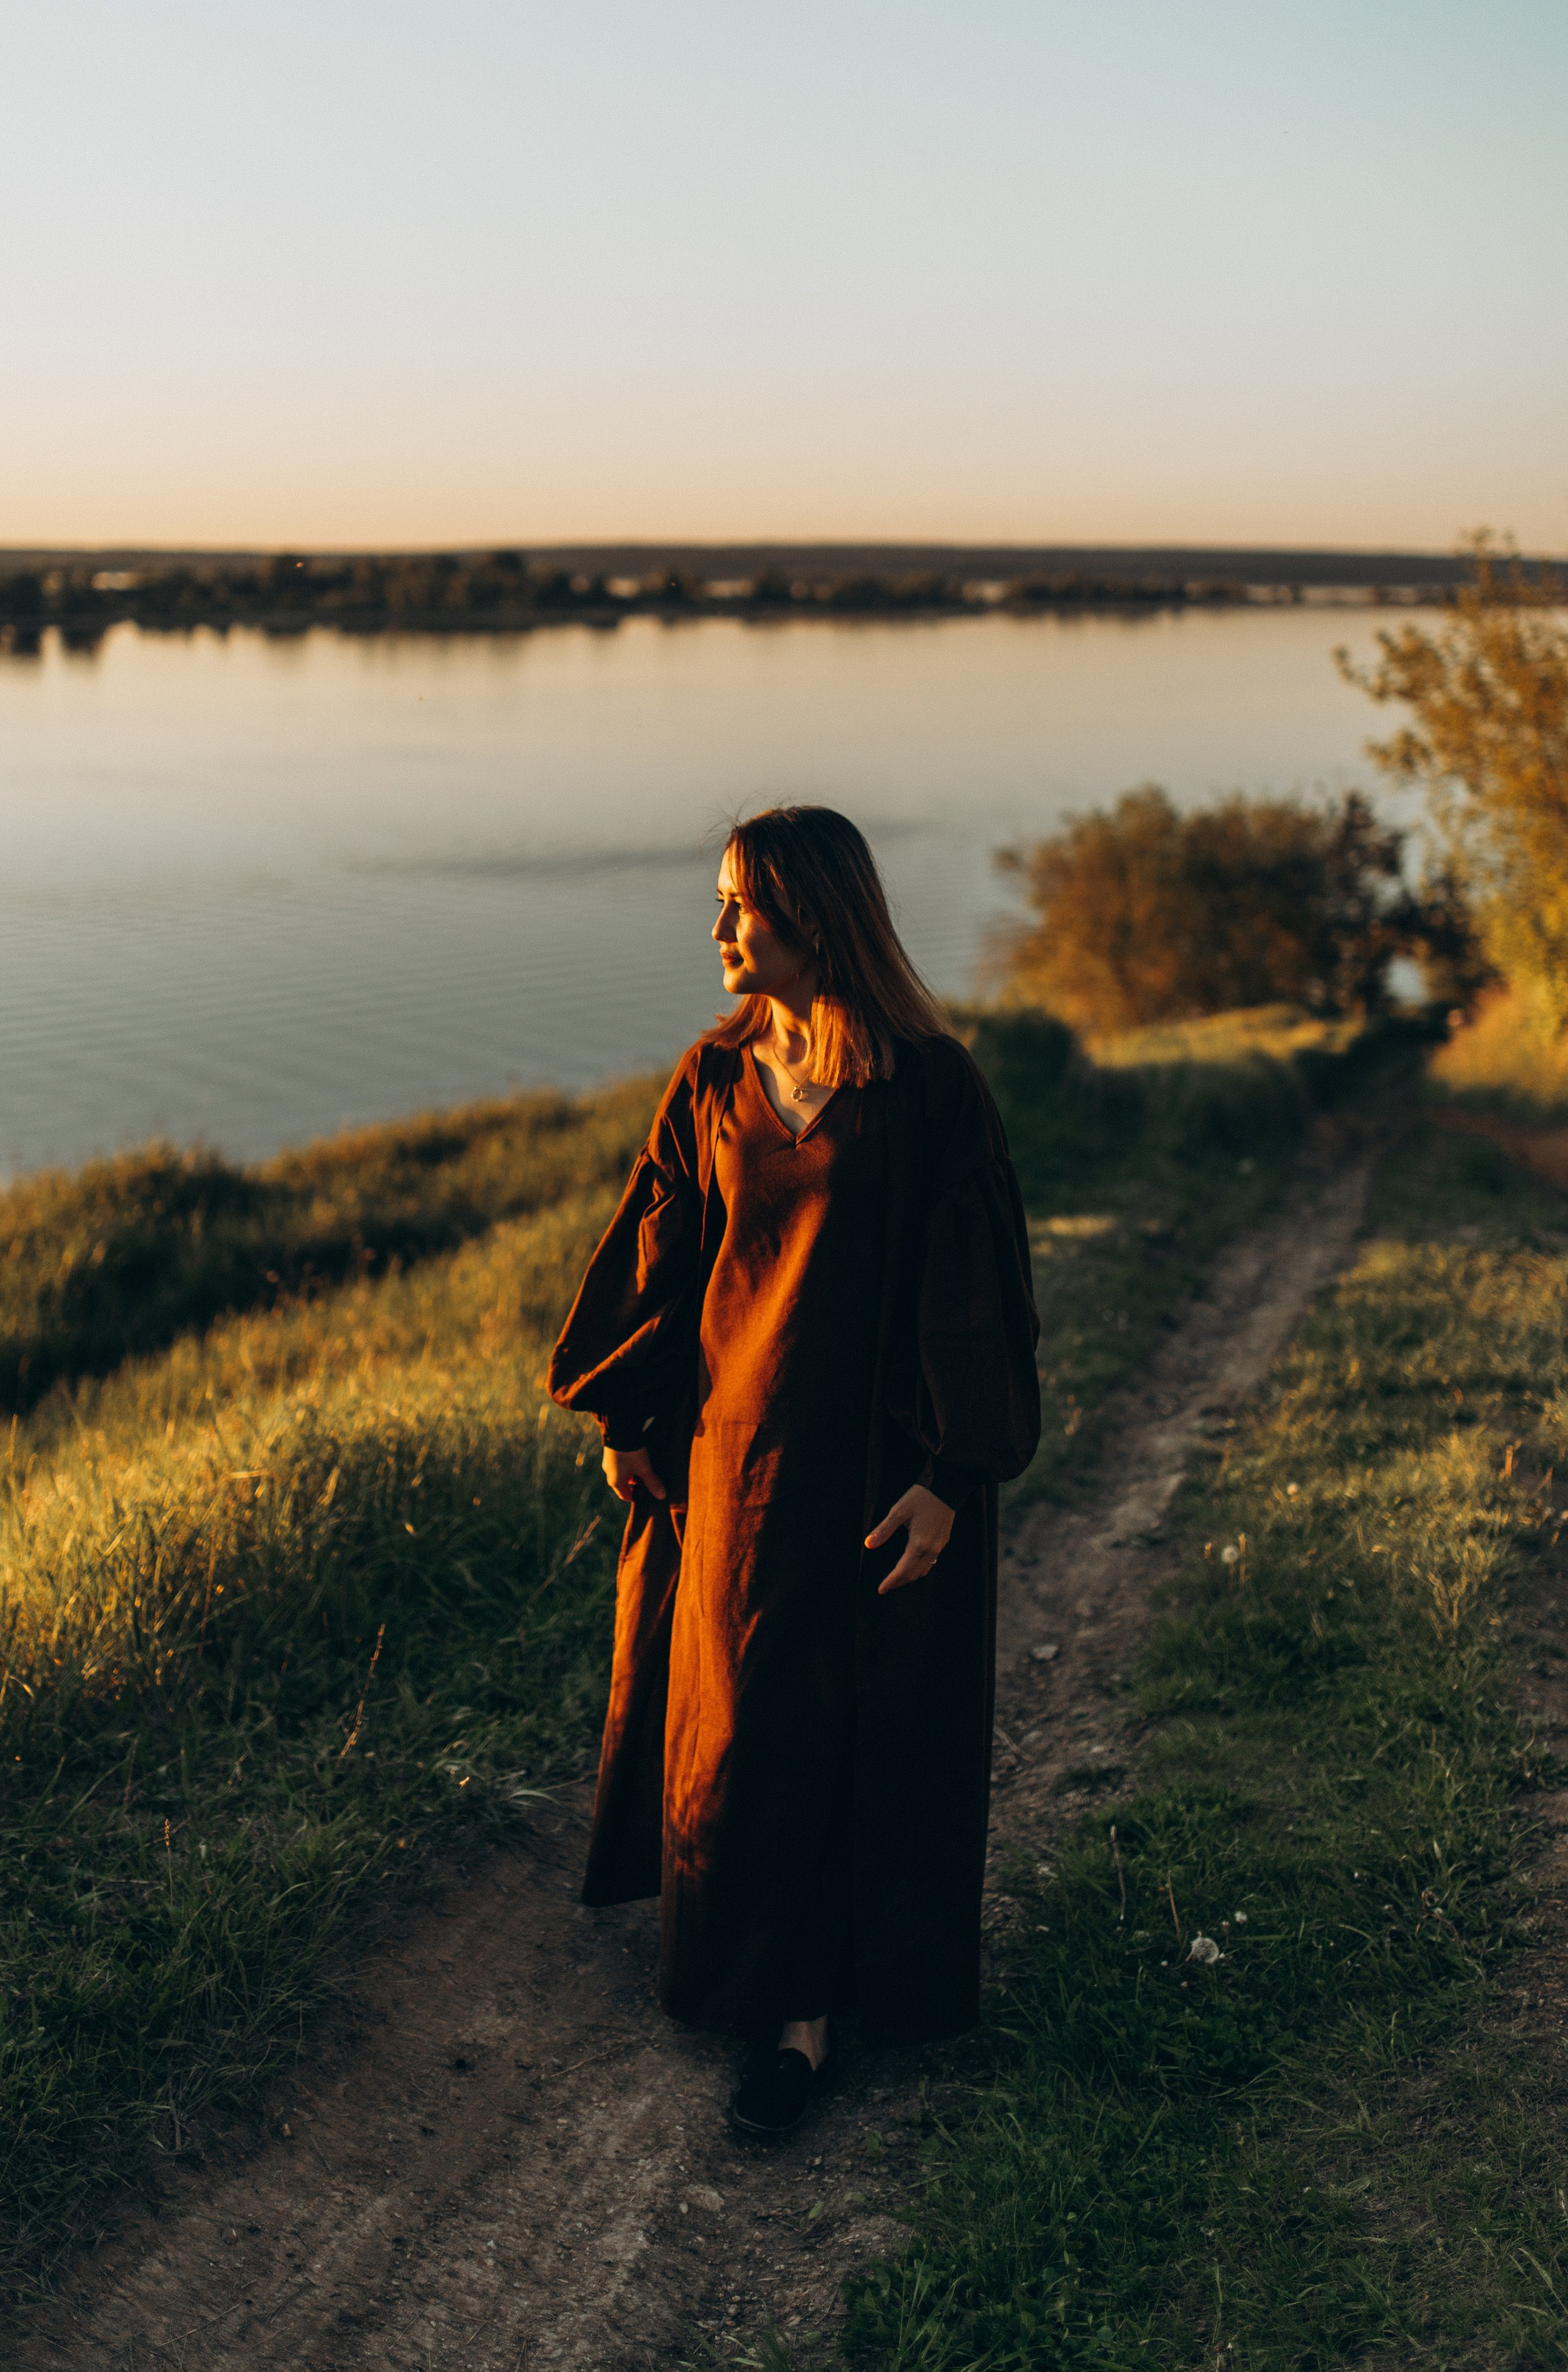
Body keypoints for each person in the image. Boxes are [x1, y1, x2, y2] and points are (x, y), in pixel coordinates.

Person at [546, 804, 1040, 2136]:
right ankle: (775, 1990)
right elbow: (662, 1261)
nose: (715, 929)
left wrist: (951, 1473)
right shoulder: (713, 1080)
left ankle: (818, 2020)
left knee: (866, 1728)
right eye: (718, 903)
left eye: (738, 907)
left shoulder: (929, 1088)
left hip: (880, 1477)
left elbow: (974, 1292)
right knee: (748, 1726)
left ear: (813, 918)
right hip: (739, 1470)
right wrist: (627, 1418)